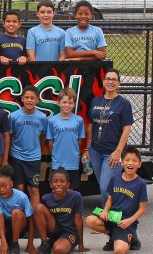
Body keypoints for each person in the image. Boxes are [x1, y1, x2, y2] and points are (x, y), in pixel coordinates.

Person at [83, 68, 133, 206]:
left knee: (106, 187)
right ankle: (112, 214)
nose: (110, 82)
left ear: (119, 83)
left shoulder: (123, 104)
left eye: (114, 79)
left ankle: (109, 216)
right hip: (95, 151)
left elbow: (127, 129)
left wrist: (118, 152)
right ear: (104, 81)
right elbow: (91, 126)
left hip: (112, 153)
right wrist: (87, 149)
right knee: (104, 186)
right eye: (108, 79)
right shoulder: (95, 101)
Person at [85, 146, 147, 252]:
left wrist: (130, 220)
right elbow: (110, 199)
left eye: (134, 160)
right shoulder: (115, 178)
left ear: (139, 164)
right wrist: (105, 211)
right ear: (122, 162)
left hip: (126, 221)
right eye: (127, 160)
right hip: (113, 217)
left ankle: (132, 238)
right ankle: (114, 237)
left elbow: (142, 208)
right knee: (90, 220)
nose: (130, 163)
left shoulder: (140, 183)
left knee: (119, 251)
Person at [8, 85, 47, 253]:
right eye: (27, 97)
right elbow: (10, 136)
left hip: (34, 160)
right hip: (17, 158)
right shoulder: (14, 116)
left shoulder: (42, 117)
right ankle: (21, 224)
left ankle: (35, 224)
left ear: (37, 100)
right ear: (22, 99)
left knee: (34, 191)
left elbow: (44, 137)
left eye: (33, 98)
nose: (29, 100)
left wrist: (36, 149)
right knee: (20, 191)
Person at [34, 167, 88, 254]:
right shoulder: (46, 198)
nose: (58, 184)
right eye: (55, 181)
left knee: (58, 250)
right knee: (38, 208)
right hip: (54, 230)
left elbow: (78, 220)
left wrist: (81, 244)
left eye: (62, 181)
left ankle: (55, 244)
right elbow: (43, 218)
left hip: (69, 232)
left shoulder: (75, 196)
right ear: (51, 184)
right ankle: (45, 243)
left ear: (68, 184)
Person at [0, 166, 33, 254]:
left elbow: (31, 220)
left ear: (11, 184)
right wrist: (3, 243)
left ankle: (14, 243)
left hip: (20, 224)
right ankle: (7, 242)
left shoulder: (22, 197)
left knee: (16, 212)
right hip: (6, 223)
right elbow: (0, 217)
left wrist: (30, 244)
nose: (1, 190)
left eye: (5, 186)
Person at [46, 87, 85, 189]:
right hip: (57, 163)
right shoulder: (52, 121)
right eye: (64, 102)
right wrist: (55, 155)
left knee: (71, 190)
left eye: (70, 103)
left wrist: (74, 152)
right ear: (58, 103)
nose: (67, 105)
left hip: (73, 162)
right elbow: (50, 141)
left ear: (74, 104)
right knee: (57, 189)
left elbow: (79, 140)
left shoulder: (79, 120)